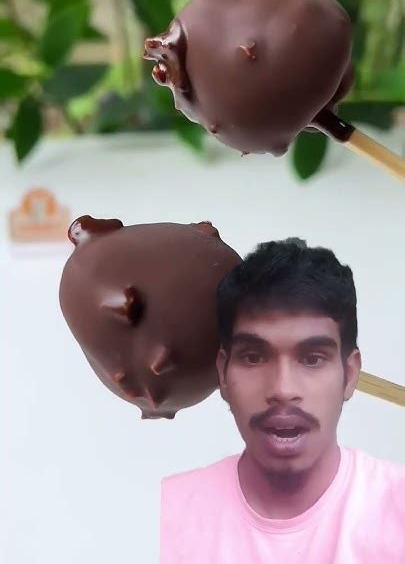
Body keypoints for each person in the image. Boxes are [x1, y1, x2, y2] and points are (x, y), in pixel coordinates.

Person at [160, 238, 405, 563]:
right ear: (223, 373)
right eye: (253, 357)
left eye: (313, 359)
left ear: (349, 374)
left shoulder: (398, 510)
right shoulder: (167, 514)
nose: (283, 389)